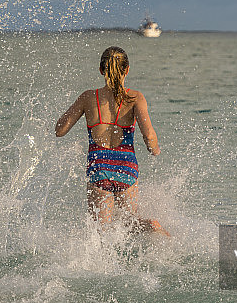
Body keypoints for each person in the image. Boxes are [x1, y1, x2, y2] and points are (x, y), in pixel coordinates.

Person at [55, 46, 169, 236]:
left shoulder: (88, 97)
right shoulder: (135, 98)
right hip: (126, 168)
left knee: (100, 233)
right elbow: (149, 136)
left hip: (99, 169)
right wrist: (155, 150)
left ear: (101, 70)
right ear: (127, 70)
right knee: (130, 224)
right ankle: (153, 227)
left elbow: (60, 130)